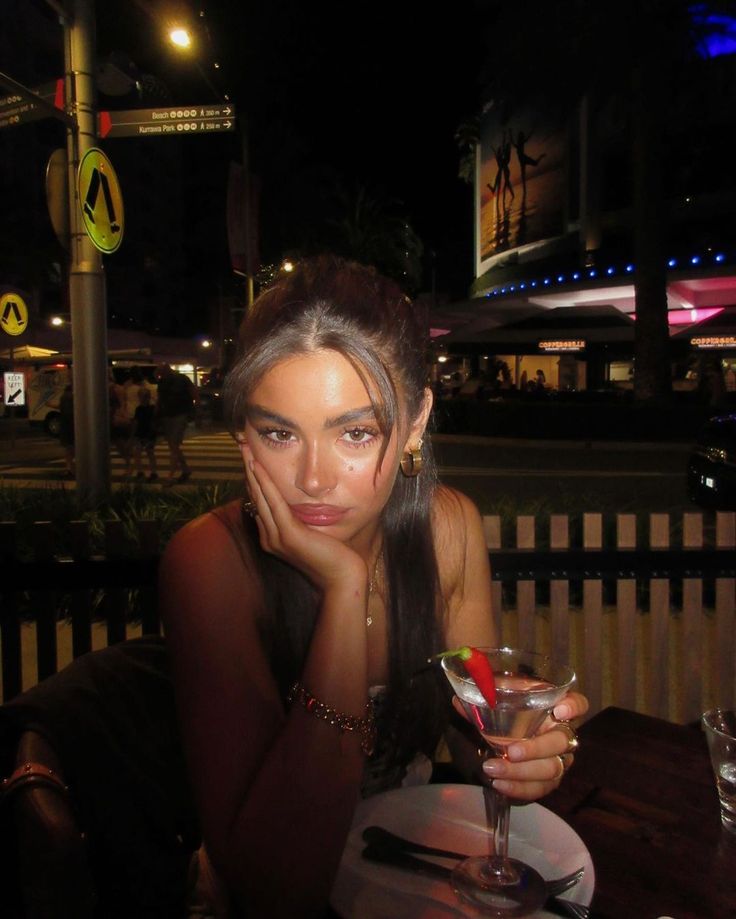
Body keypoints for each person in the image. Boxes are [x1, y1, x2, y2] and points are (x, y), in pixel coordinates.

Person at [159, 257, 588, 918]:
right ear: (243, 431)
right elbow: (277, 887)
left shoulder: (450, 529)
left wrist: (515, 750)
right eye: (279, 433)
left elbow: (470, 722)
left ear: (415, 421)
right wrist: (345, 586)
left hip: (406, 873)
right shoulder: (209, 563)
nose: (312, 479)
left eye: (354, 433)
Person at [156, 363, 197, 484]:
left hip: (179, 414)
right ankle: (185, 469)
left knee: (173, 445)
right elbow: (160, 398)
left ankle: (170, 475)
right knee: (173, 445)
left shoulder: (181, 379)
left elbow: (193, 393)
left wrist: (195, 411)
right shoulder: (164, 381)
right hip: (168, 414)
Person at [131, 386, 158, 481]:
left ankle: (149, 472)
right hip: (143, 433)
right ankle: (145, 472)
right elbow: (136, 422)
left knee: (147, 453)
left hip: (146, 433)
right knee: (142, 453)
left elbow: (136, 422)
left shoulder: (144, 409)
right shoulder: (144, 409)